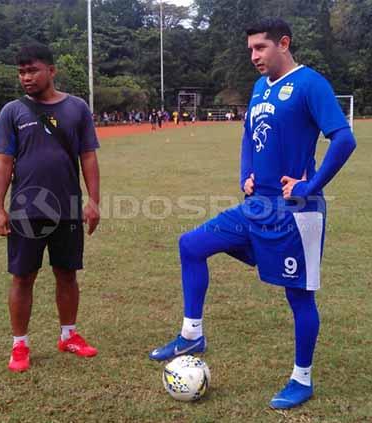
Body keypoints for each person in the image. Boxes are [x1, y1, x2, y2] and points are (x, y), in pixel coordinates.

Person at [148, 18, 356, 409]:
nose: (254, 56)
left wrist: (311, 186)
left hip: (297, 213)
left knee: (299, 297)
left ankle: (302, 378)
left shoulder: (311, 83)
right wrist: (245, 174)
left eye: (260, 48)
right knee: (191, 245)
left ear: (284, 43)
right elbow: (248, 135)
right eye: (250, 50)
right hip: (255, 206)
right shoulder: (260, 88)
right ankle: (192, 334)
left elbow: (344, 138)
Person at [0, 44, 101, 373]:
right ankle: (20, 344)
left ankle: (68, 335)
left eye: (32, 70)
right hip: (26, 208)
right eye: (21, 72)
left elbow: (88, 157)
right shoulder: (12, 111)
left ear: (51, 71)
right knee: (23, 277)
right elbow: (4, 163)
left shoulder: (77, 108)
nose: (26, 77)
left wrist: (93, 201)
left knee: (67, 273)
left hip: (67, 207)